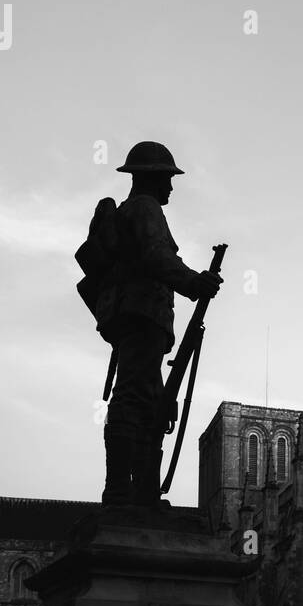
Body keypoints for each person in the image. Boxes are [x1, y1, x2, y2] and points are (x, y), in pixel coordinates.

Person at [94, 141, 222, 507]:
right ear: (151, 177)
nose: (171, 186)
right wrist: (194, 283)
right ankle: (120, 491)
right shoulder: (146, 209)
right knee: (134, 399)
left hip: (137, 317)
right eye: (167, 178)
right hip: (142, 316)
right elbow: (156, 257)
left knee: (153, 404)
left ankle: (143, 491)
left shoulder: (133, 210)